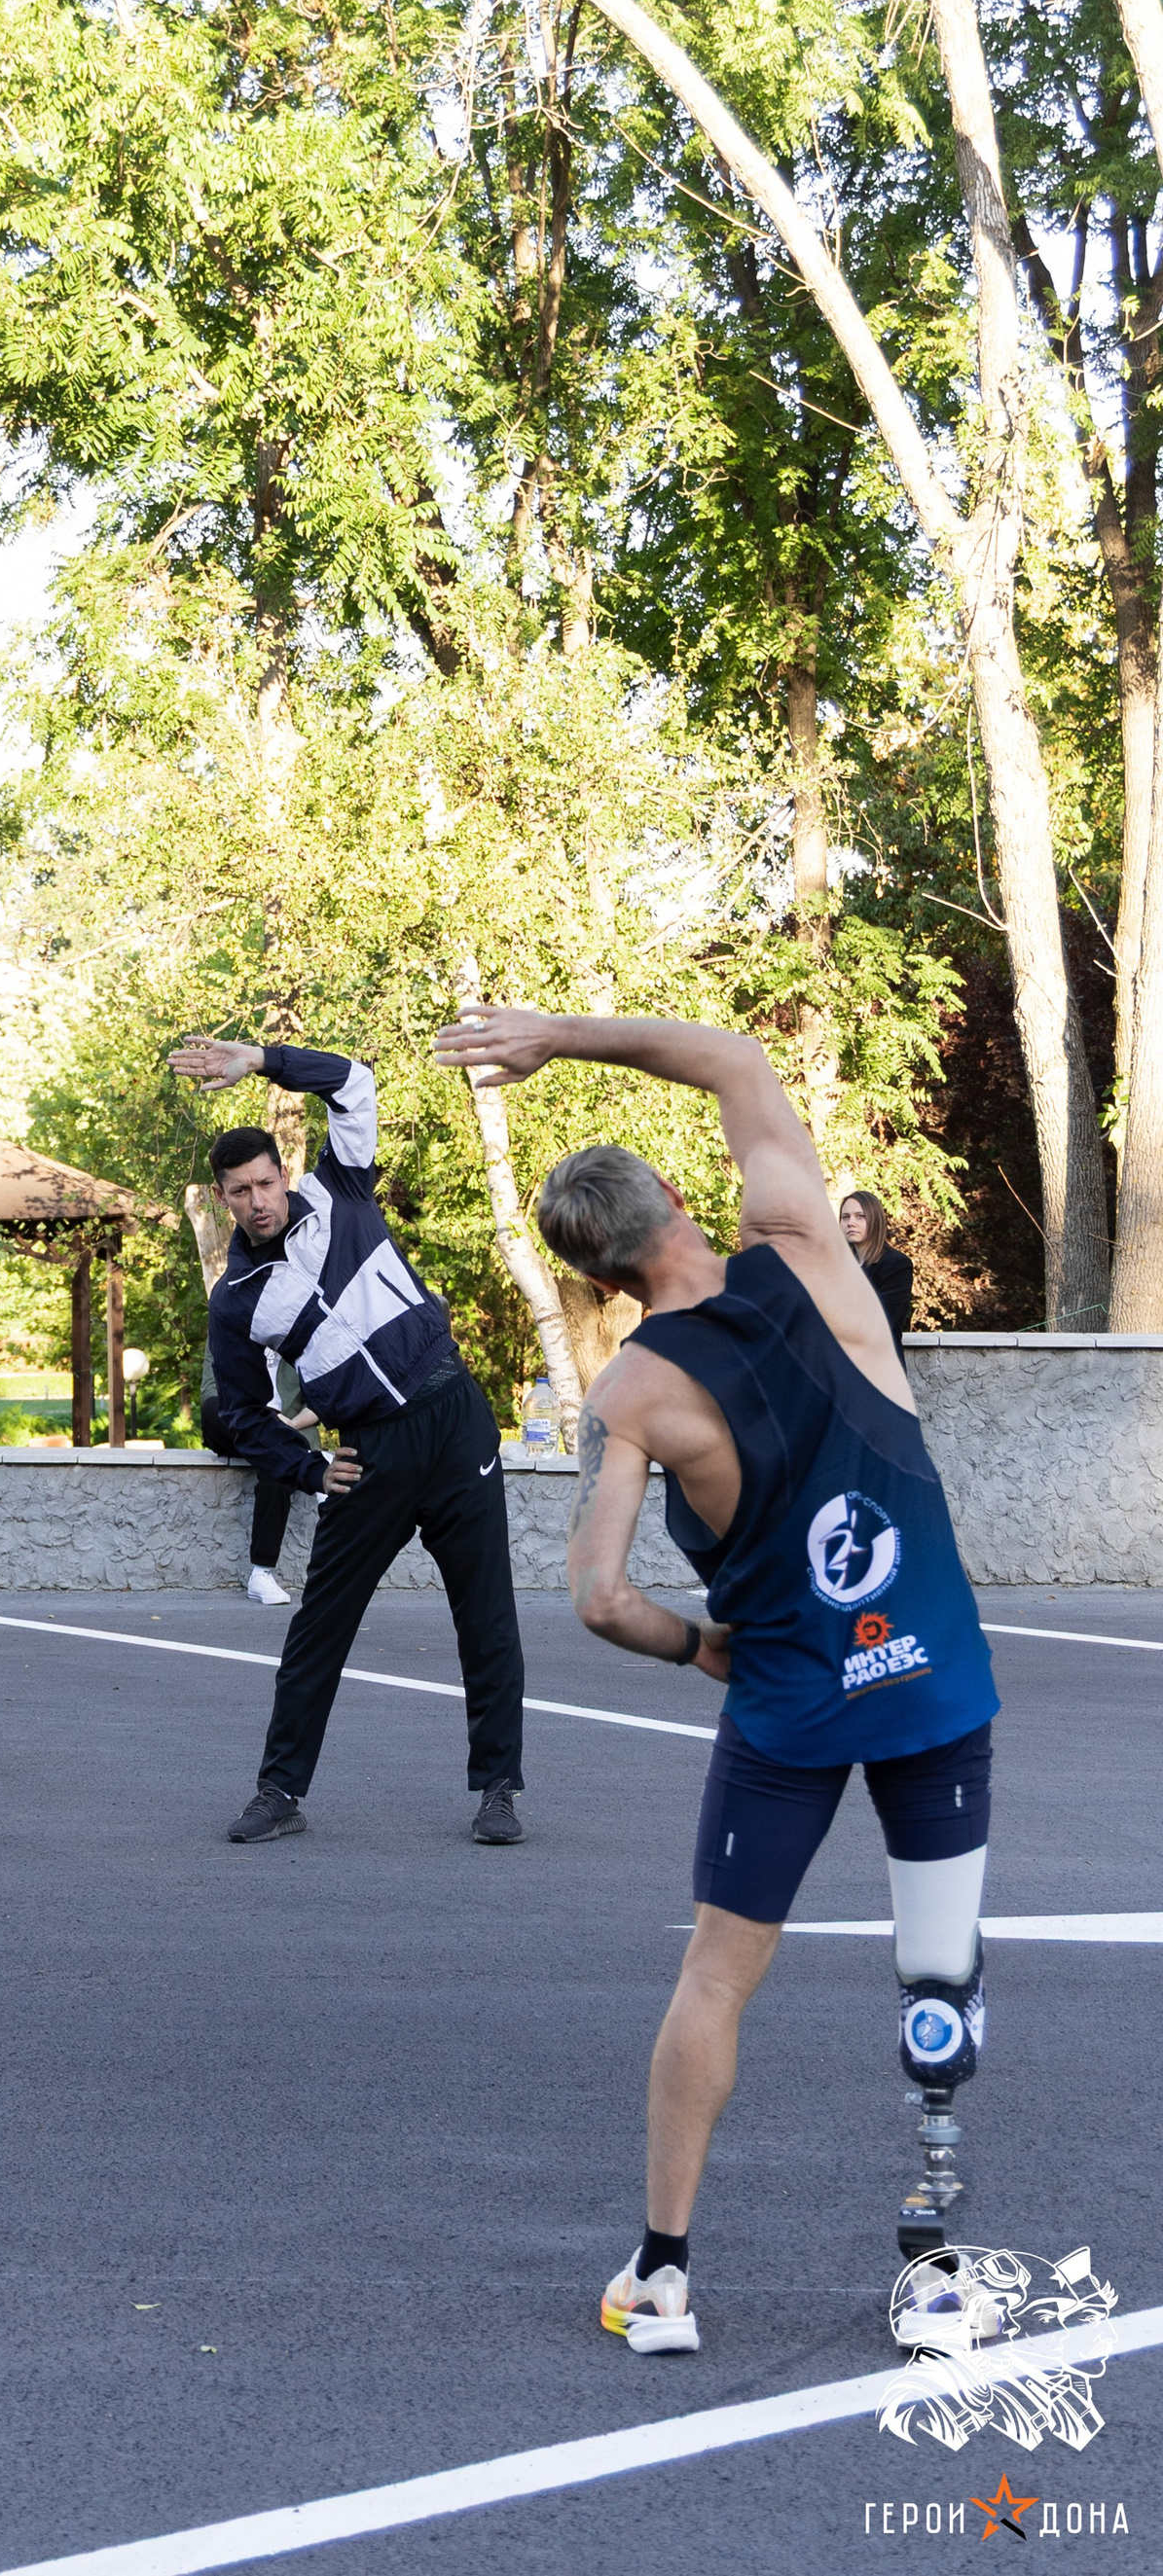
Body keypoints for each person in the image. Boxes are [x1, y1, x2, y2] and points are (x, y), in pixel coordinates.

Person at [433, 1008, 996, 2353]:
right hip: (931, 1678)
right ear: (679, 1199)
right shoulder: (802, 1238)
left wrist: (697, 1645)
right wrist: (556, 1036)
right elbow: (733, 1060)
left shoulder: (632, 1391)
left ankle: (665, 2274)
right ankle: (937, 2277)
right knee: (939, 1976)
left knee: (716, 1978)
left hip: (789, 1704)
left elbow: (599, 1595)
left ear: (598, 1273)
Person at [167, 1036, 527, 1844]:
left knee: (486, 1614)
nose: (258, 1200)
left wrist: (261, 1059)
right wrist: (307, 1468)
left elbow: (355, 1083)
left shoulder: (341, 1189)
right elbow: (242, 1412)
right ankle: (279, 1792)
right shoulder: (238, 1300)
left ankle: (499, 1789)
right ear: (222, 1199)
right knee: (318, 1626)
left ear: (283, 1175)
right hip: (368, 1455)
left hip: (454, 1416)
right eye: (239, 1191)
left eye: (265, 1182)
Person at [200, 1340, 320, 1605]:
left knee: (280, 1459)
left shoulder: (305, 1331)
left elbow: (323, 1398)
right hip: (234, 1421)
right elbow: (210, 1390)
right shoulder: (229, 1323)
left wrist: (290, 1424)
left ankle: (261, 1573)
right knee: (211, 1410)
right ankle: (292, 1450)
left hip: (289, 1428)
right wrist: (263, 1421)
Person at [841, 1190, 914, 1361]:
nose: (851, 1223)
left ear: (875, 1220)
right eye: (845, 1217)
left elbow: (879, 1323)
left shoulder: (895, 1265)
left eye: (860, 1216)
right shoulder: (838, 1266)